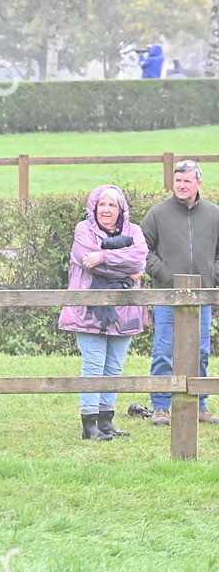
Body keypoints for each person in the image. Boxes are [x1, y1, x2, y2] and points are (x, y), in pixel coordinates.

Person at [58, 186, 148, 440]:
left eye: (112, 205)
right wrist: (125, 270)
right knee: (94, 365)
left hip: (124, 308)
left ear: (121, 210)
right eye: (102, 205)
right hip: (90, 308)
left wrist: (103, 256)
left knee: (114, 366)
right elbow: (86, 260)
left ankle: (107, 421)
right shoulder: (83, 230)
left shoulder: (135, 231)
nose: (106, 210)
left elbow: (139, 261)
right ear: (94, 207)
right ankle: (89, 425)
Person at [141, 159, 219, 425]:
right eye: (178, 181)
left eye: (187, 181)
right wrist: (164, 274)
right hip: (166, 295)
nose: (181, 185)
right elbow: (142, 251)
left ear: (198, 183)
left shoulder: (214, 214)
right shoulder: (157, 214)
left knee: (201, 351)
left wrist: (212, 275)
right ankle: (161, 406)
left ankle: (199, 404)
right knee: (164, 350)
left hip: (202, 296)